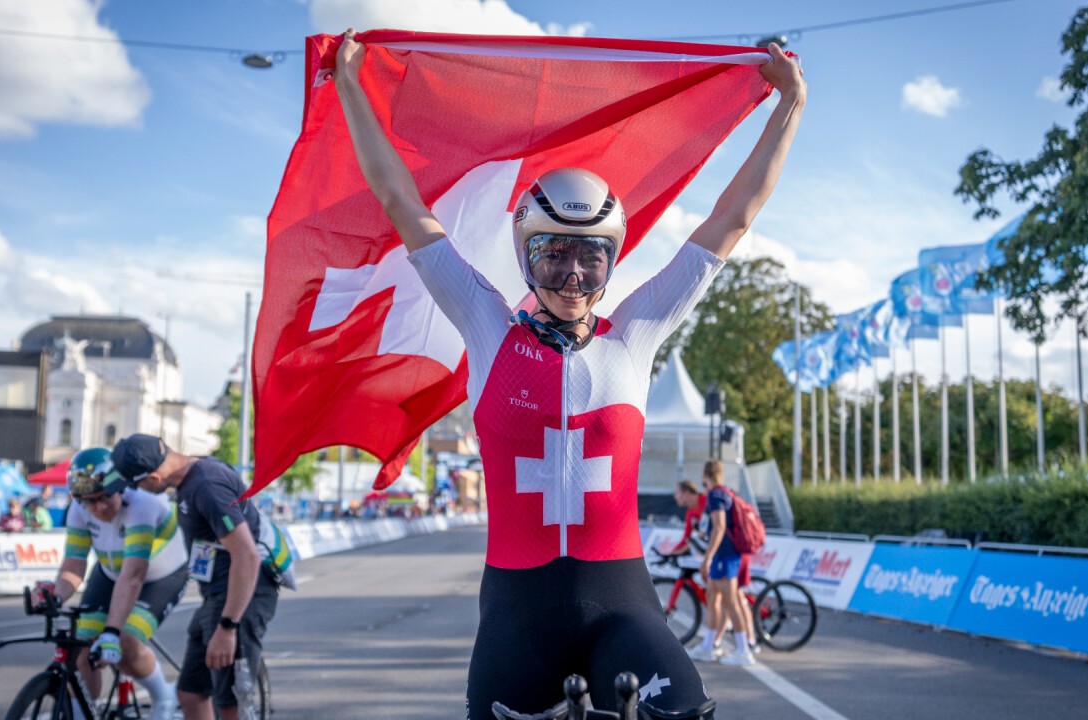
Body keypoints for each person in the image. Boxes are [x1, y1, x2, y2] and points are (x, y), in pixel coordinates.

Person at [332, 28, 804, 718]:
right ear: (526, 256)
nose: (574, 276)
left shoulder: (638, 332)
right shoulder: (486, 323)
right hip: (517, 616)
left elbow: (732, 219)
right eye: (554, 255)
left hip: (623, 606)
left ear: (612, 261)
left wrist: (789, 105)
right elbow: (405, 206)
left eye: (591, 258)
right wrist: (350, 85)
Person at [111, 434, 290, 720]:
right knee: (191, 694)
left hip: (242, 596)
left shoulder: (206, 485)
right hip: (216, 594)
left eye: (137, 484)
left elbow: (247, 556)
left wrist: (228, 626)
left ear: (154, 477)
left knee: (231, 703)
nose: (137, 491)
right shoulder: (190, 477)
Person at [32, 447, 187, 720]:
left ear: (121, 488)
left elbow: (134, 574)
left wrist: (112, 632)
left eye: (105, 497)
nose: (99, 507)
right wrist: (55, 594)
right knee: (82, 648)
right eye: (90, 501)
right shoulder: (79, 511)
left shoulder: (143, 505)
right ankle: (83, 713)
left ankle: (163, 695)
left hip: (161, 577)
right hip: (110, 573)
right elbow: (74, 566)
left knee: (125, 642)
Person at [690, 460, 757, 666]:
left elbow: (719, 527)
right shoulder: (725, 492)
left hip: (725, 555)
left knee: (731, 601)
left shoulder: (716, 495)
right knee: (713, 598)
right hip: (725, 554)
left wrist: (708, 557)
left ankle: (743, 650)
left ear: (706, 475)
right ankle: (708, 646)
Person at [669, 480, 706, 556]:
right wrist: (672, 553)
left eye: (677, 493)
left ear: (686, 493)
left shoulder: (707, 502)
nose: (675, 497)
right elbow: (686, 539)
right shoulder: (690, 513)